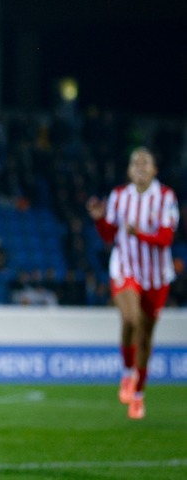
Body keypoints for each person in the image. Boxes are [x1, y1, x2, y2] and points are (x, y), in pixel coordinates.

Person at [85, 147, 179, 420]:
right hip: (125, 268)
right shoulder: (119, 196)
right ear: (129, 171)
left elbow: (165, 239)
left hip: (156, 277)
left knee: (146, 338)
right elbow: (108, 235)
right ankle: (127, 373)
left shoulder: (165, 197)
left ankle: (138, 394)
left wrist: (139, 233)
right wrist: (100, 218)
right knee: (130, 320)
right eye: (134, 161)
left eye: (145, 162)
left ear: (154, 170)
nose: (139, 165)